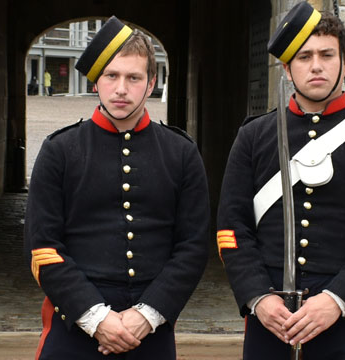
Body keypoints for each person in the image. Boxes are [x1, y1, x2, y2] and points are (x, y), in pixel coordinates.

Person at [216, 2, 345, 359]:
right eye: (304, 56)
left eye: (327, 54)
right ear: (288, 69)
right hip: (271, 320)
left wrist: (337, 299)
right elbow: (232, 229)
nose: (317, 65)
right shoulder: (254, 136)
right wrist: (258, 296)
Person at [25, 16, 210, 359]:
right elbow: (43, 248)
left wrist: (148, 313)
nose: (121, 89)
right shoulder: (60, 150)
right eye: (111, 76)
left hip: (150, 332)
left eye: (133, 77)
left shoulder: (181, 152)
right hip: (76, 328)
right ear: (95, 81)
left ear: (151, 81)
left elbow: (193, 246)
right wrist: (95, 317)